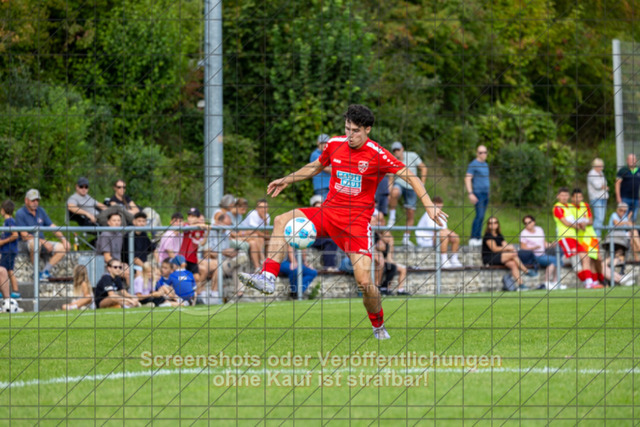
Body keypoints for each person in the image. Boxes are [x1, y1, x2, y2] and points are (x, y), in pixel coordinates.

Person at [239, 104, 446, 340]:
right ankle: (268, 277)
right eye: (347, 128)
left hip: (356, 225)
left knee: (364, 282)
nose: (350, 134)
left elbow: (410, 175)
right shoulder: (335, 144)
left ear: (367, 129)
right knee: (281, 220)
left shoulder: (377, 154)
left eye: (355, 130)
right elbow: (316, 166)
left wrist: (428, 204)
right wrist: (288, 179)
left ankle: (378, 325)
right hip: (328, 214)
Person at [553, 187, 602, 289]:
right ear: (558, 196)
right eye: (562, 195)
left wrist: (581, 224)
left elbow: (577, 220)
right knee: (576, 261)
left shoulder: (568, 207)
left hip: (574, 237)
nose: (564, 197)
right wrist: (579, 226)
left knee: (586, 257)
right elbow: (566, 223)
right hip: (565, 237)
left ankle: (590, 282)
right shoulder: (557, 207)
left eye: (566, 195)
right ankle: (587, 282)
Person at [16, 189, 70, 281]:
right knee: (36, 244)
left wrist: (63, 239)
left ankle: (44, 272)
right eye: (33, 200)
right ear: (26, 200)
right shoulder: (20, 213)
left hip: (41, 242)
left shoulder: (41, 211)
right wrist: (43, 241)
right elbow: (24, 235)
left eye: (37, 200)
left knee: (62, 247)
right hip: (25, 243)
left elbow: (52, 226)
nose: (35, 202)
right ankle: (36, 272)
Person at [387, 141, 428, 246]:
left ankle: (406, 238)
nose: (397, 152)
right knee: (395, 192)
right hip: (399, 183)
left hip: (412, 186)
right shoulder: (392, 160)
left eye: (398, 149)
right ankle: (392, 216)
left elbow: (423, 168)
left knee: (410, 213)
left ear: (402, 149)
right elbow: (391, 179)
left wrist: (422, 184)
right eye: (394, 150)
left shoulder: (412, 155)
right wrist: (389, 193)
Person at [482, 216, 530, 290]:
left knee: (513, 264)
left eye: (495, 222)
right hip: (489, 258)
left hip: (500, 257)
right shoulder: (488, 236)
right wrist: (508, 248)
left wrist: (511, 248)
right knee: (513, 254)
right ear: (488, 225)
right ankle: (526, 271)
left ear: (498, 224)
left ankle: (521, 285)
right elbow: (494, 249)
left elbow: (505, 245)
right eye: (491, 223)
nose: (493, 224)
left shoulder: (499, 235)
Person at [415, 196, 462, 268]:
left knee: (456, 237)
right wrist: (450, 233)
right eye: (437, 207)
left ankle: (454, 259)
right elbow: (436, 231)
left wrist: (452, 234)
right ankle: (444, 260)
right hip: (425, 240)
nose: (439, 209)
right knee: (444, 236)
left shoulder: (441, 215)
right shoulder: (428, 214)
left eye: (440, 207)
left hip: (434, 237)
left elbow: (444, 230)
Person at [572, 188, 605, 289]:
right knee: (588, 259)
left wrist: (585, 223)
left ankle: (599, 279)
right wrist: (579, 225)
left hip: (591, 236)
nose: (578, 199)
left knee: (597, 258)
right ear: (572, 198)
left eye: (580, 197)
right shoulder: (570, 208)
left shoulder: (585, 205)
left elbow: (591, 220)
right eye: (576, 197)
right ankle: (593, 281)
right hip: (581, 238)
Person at [519, 215, 559, 290]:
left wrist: (552, 245)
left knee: (555, 261)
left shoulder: (539, 229)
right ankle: (547, 282)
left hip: (543, 254)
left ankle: (554, 282)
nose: (528, 224)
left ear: (534, 222)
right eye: (526, 223)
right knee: (554, 260)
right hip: (533, 256)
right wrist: (533, 248)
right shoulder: (523, 233)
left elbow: (544, 244)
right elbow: (522, 248)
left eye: (529, 222)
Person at [465, 145, 490, 246]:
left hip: (485, 194)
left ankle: (478, 237)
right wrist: (470, 193)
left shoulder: (485, 164)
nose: (483, 154)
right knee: (479, 215)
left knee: (482, 216)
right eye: (480, 152)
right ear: (477, 153)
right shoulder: (473, 164)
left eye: (485, 152)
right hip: (478, 194)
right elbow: (467, 178)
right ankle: (473, 237)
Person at [308, 195, 340, 270]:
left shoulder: (326, 217)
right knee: (330, 241)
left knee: (331, 242)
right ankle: (329, 266)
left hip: (323, 240)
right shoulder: (309, 217)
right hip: (311, 239)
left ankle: (329, 266)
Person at [179, 207, 207, 292]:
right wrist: (199, 225)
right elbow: (185, 227)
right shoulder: (186, 225)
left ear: (198, 218)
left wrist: (207, 231)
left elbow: (202, 243)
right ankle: (184, 295)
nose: (190, 218)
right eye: (189, 216)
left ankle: (197, 296)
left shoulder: (200, 230)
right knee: (183, 278)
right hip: (183, 257)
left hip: (192, 258)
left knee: (197, 278)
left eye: (193, 216)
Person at [239, 199, 271, 270]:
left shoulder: (267, 216)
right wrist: (267, 236)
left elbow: (266, 232)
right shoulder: (253, 214)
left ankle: (267, 262)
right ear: (257, 208)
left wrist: (265, 222)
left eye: (265, 207)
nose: (263, 209)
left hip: (255, 235)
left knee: (267, 240)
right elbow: (256, 231)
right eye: (261, 207)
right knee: (258, 237)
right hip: (244, 234)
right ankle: (262, 260)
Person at [0, 200, 20, 299]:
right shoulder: (7, 221)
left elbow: (15, 235)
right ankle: (14, 291)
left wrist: (3, 242)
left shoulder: (10, 221)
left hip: (8, 250)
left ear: (3, 210)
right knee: (8, 270)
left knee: (5, 270)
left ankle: (14, 291)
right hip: (7, 250)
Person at [587, 158, 609, 237]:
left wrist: (604, 186)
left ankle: (597, 235)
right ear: (595, 166)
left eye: (602, 166)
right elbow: (598, 186)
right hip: (596, 198)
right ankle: (596, 236)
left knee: (601, 218)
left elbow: (605, 183)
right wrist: (604, 187)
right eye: (600, 166)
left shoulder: (601, 173)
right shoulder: (592, 173)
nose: (601, 168)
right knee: (598, 217)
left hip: (603, 197)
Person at [615, 154, 640, 223]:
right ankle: (624, 230)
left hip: (636, 199)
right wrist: (618, 197)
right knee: (623, 218)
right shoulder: (623, 170)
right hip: (624, 198)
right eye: (630, 159)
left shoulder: (639, 170)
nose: (632, 161)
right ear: (627, 161)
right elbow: (617, 183)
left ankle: (632, 230)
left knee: (633, 218)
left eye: (633, 159)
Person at [310, 134, 332, 199]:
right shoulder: (315, 154)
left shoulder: (329, 154)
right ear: (318, 143)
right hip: (321, 188)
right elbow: (326, 169)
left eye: (326, 143)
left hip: (330, 186)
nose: (324, 145)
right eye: (322, 143)